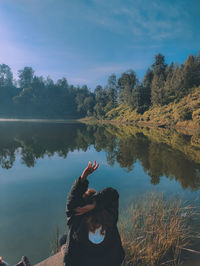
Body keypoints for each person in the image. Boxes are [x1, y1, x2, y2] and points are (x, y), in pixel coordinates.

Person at [63, 160, 125, 266]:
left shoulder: (77, 219)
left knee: (63, 240)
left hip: (87, 261)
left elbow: (71, 203)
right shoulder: (110, 216)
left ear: (81, 205)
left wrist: (83, 176)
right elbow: (112, 193)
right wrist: (95, 204)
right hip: (111, 261)